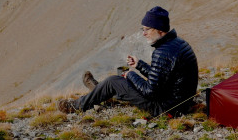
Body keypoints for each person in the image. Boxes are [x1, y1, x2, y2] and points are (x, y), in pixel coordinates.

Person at [57, 6, 199, 117]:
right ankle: (99, 90)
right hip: (179, 103)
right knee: (122, 83)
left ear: (159, 29)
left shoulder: (162, 52)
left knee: (114, 81)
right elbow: (161, 78)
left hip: (166, 109)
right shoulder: (177, 43)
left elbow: (150, 92)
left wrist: (131, 74)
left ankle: (77, 105)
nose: (144, 33)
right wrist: (139, 65)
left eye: (146, 29)